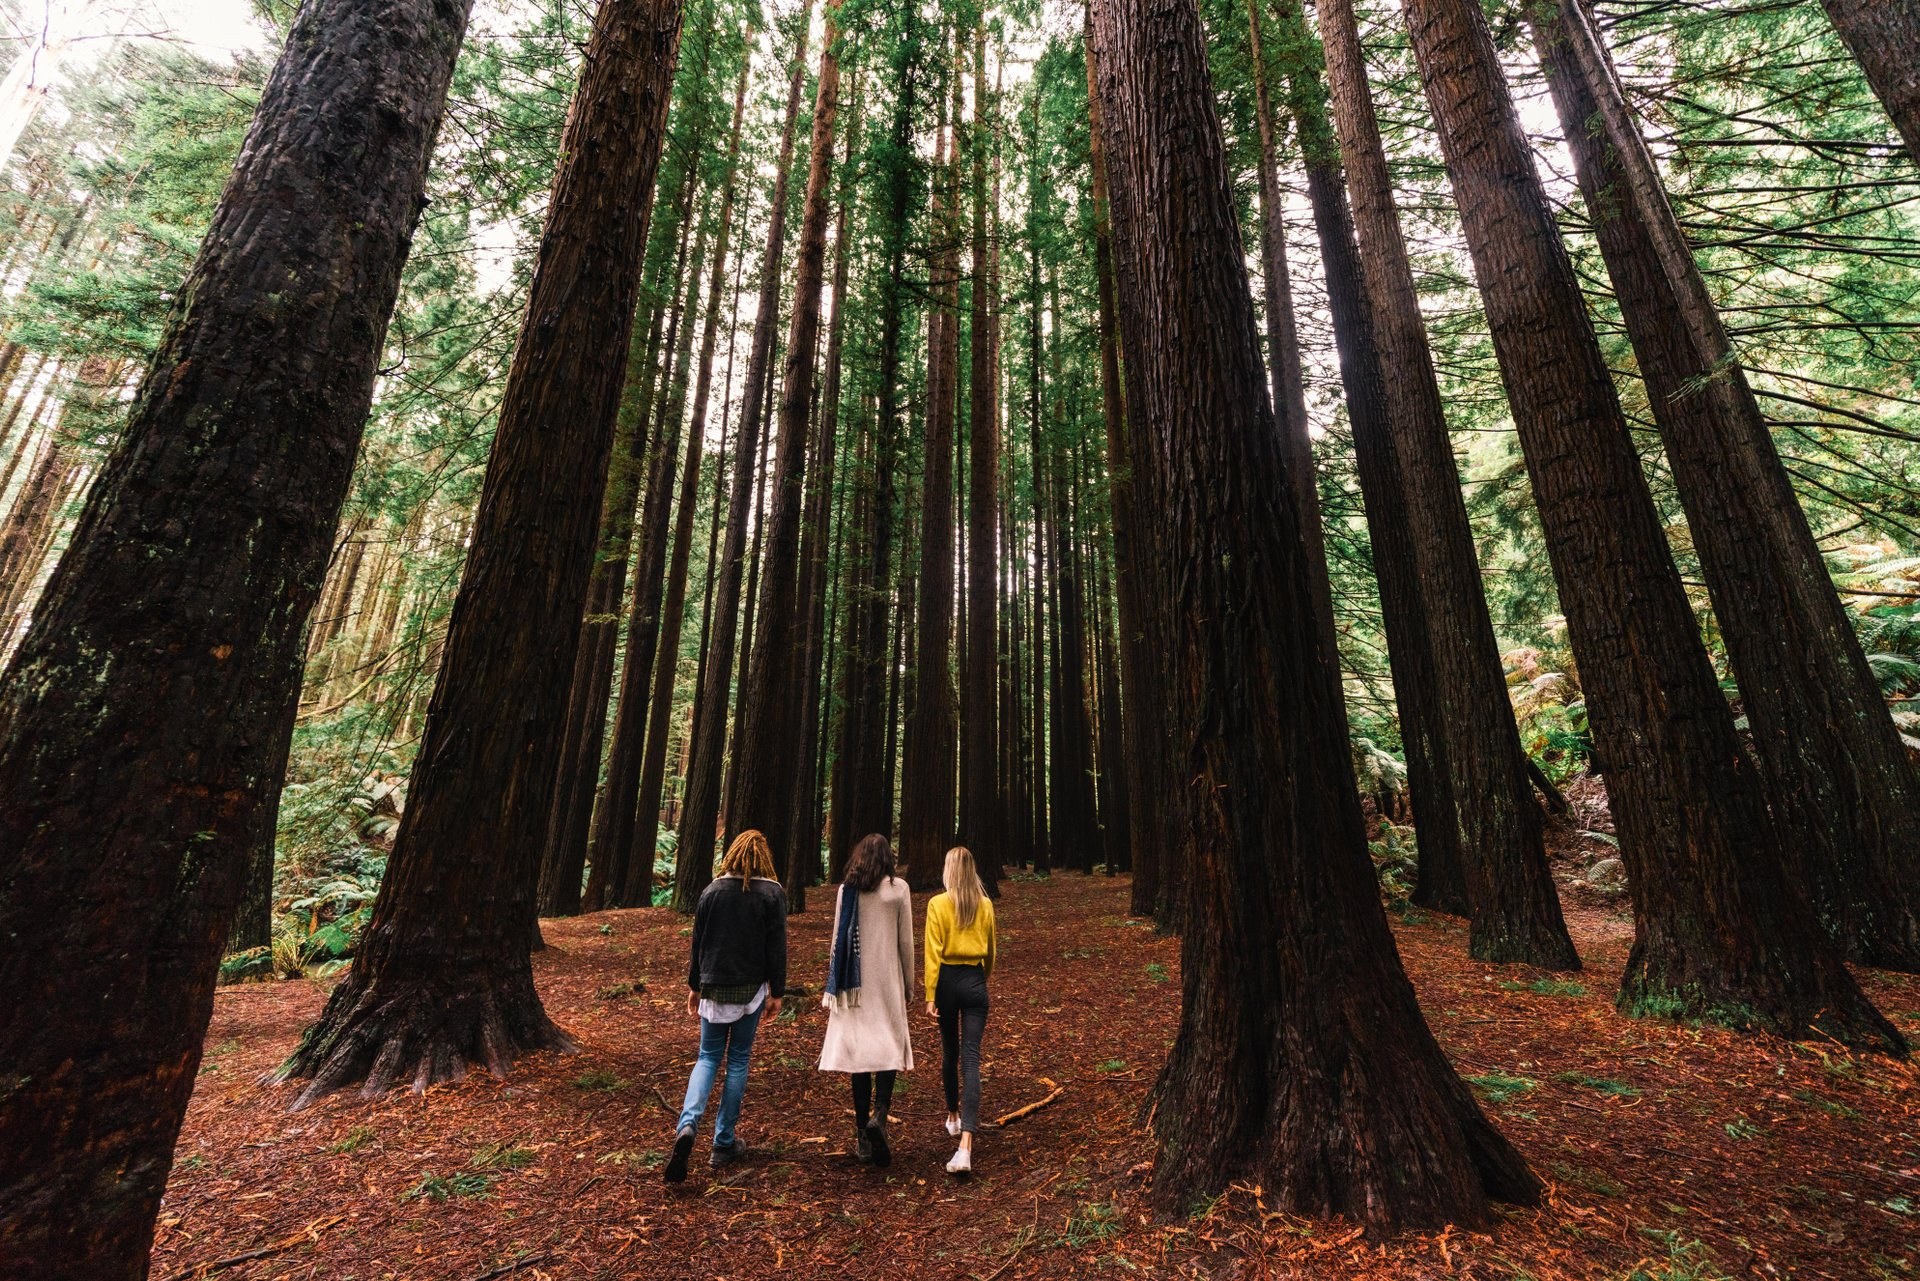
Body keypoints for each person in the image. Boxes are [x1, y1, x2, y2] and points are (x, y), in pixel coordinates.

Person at [666, 829, 787, 1183]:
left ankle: (687, 1125)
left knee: (707, 1057)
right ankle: (723, 1142)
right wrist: (776, 991)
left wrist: (694, 985)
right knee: (738, 1059)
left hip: (713, 986)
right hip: (750, 990)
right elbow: (776, 947)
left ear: (732, 854)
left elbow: (698, 943)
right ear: (763, 858)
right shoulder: (772, 894)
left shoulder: (712, 890)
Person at [818, 832, 915, 1167]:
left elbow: (836, 940)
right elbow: (907, 942)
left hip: (854, 983)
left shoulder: (848, 891)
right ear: (888, 857)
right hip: (887, 980)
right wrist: (910, 985)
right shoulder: (898, 890)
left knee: (859, 1058)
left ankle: (862, 1134)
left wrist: (834, 984)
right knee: (889, 1049)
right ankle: (881, 1117)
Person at [924, 846, 996, 1175]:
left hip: (947, 982)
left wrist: (930, 994)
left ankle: (953, 1118)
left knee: (949, 1052)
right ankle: (965, 1140)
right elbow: (992, 952)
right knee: (971, 1059)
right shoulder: (985, 905)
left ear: (948, 870)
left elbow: (932, 953)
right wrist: (980, 981)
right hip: (974, 980)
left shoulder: (937, 904)